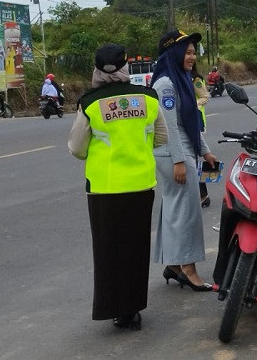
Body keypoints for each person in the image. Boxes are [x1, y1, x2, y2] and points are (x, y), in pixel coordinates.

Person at [67, 43, 168, 330]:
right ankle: (133, 310)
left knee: (109, 251)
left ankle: (116, 309)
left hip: (104, 189)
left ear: (97, 69)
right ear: (126, 66)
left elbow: (76, 148)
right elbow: (162, 137)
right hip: (140, 185)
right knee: (136, 248)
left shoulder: (89, 103)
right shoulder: (147, 98)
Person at [151, 29, 217, 292]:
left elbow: (189, 121)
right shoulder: (166, 84)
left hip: (184, 150)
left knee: (174, 209)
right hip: (173, 154)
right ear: (174, 53)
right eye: (187, 52)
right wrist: (180, 160)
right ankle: (189, 269)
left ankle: (175, 265)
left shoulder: (181, 79)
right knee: (188, 211)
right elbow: (170, 127)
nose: (192, 57)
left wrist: (205, 150)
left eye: (193, 53)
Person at [192, 66, 212, 208]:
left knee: (194, 159)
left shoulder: (195, 79)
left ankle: (203, 194)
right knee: (193, 159)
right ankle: (203, 195)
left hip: (194, 119)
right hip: (188, 120)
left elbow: (205, 96)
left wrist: (193, 104)